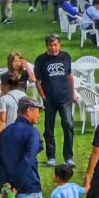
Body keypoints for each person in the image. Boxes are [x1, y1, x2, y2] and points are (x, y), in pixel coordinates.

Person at [34, 34, 75, 167]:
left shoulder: (66, 56)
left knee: (68, 126)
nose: (53, 48)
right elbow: (37, 80)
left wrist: (72, 93)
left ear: (59, 45)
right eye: (51, 45)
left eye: (55, 45)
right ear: (47, 46)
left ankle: (68, 157)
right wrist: (43, 96)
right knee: (49, 128)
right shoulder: (41, 60)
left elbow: (69, 76)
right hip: (49, 100)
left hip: (65, 98)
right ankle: (51, 156)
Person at [0, 72, 26, 150]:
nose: (0, 86)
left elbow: (2, 119)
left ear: (6, 86)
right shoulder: (23, 95)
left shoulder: (4, 99)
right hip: (23, 130)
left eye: (1, 84)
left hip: (9, 132)